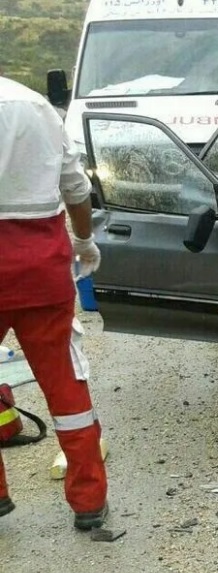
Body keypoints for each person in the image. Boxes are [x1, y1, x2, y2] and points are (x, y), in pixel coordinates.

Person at [0, 75, 108, 530]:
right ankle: (88, 501)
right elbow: (77, 190)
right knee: (65, 383)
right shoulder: (35, 105)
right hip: (40, 270)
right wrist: (84, 241)